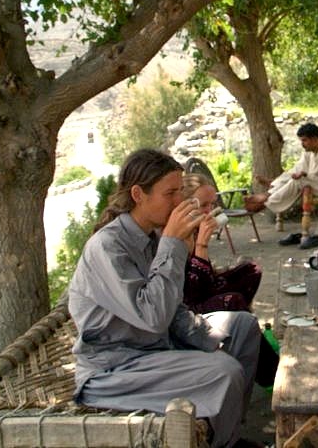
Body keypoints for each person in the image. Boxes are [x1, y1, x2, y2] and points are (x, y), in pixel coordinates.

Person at [68, 149, 262, 448]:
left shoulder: (152, 237)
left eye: (180, 192)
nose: (178, 202)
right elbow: (153, 318)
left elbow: (174, 308)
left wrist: (208, 338)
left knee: (244, 327)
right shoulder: (107, 248)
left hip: (156, 347)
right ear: (138, 194)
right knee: (225, 372)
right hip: (116, 367)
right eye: (170, 193)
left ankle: (225, 431)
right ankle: (224, 442)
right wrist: (173, 244)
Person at [181, 172, 279, 388]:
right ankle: (269, 373)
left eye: (212, 204)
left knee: (250, 270)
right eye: (204, 205)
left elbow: (206, 276)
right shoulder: (179, 233)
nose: (210, 210)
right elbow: (194, 290)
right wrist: (202, 246)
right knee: (233, 301)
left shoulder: (197, 228)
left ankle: (245, 333)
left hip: (203, 286)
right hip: (188, 307)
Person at [245, 123, 318, 249]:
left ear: (315, 140)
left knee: (300, 181)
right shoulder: (309, 152)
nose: (302, 144)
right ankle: (273, 188)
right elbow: (297, 169)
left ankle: (266, 199)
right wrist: (298, 175)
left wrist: (305, 175)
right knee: (294, 174)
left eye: (304, 140)